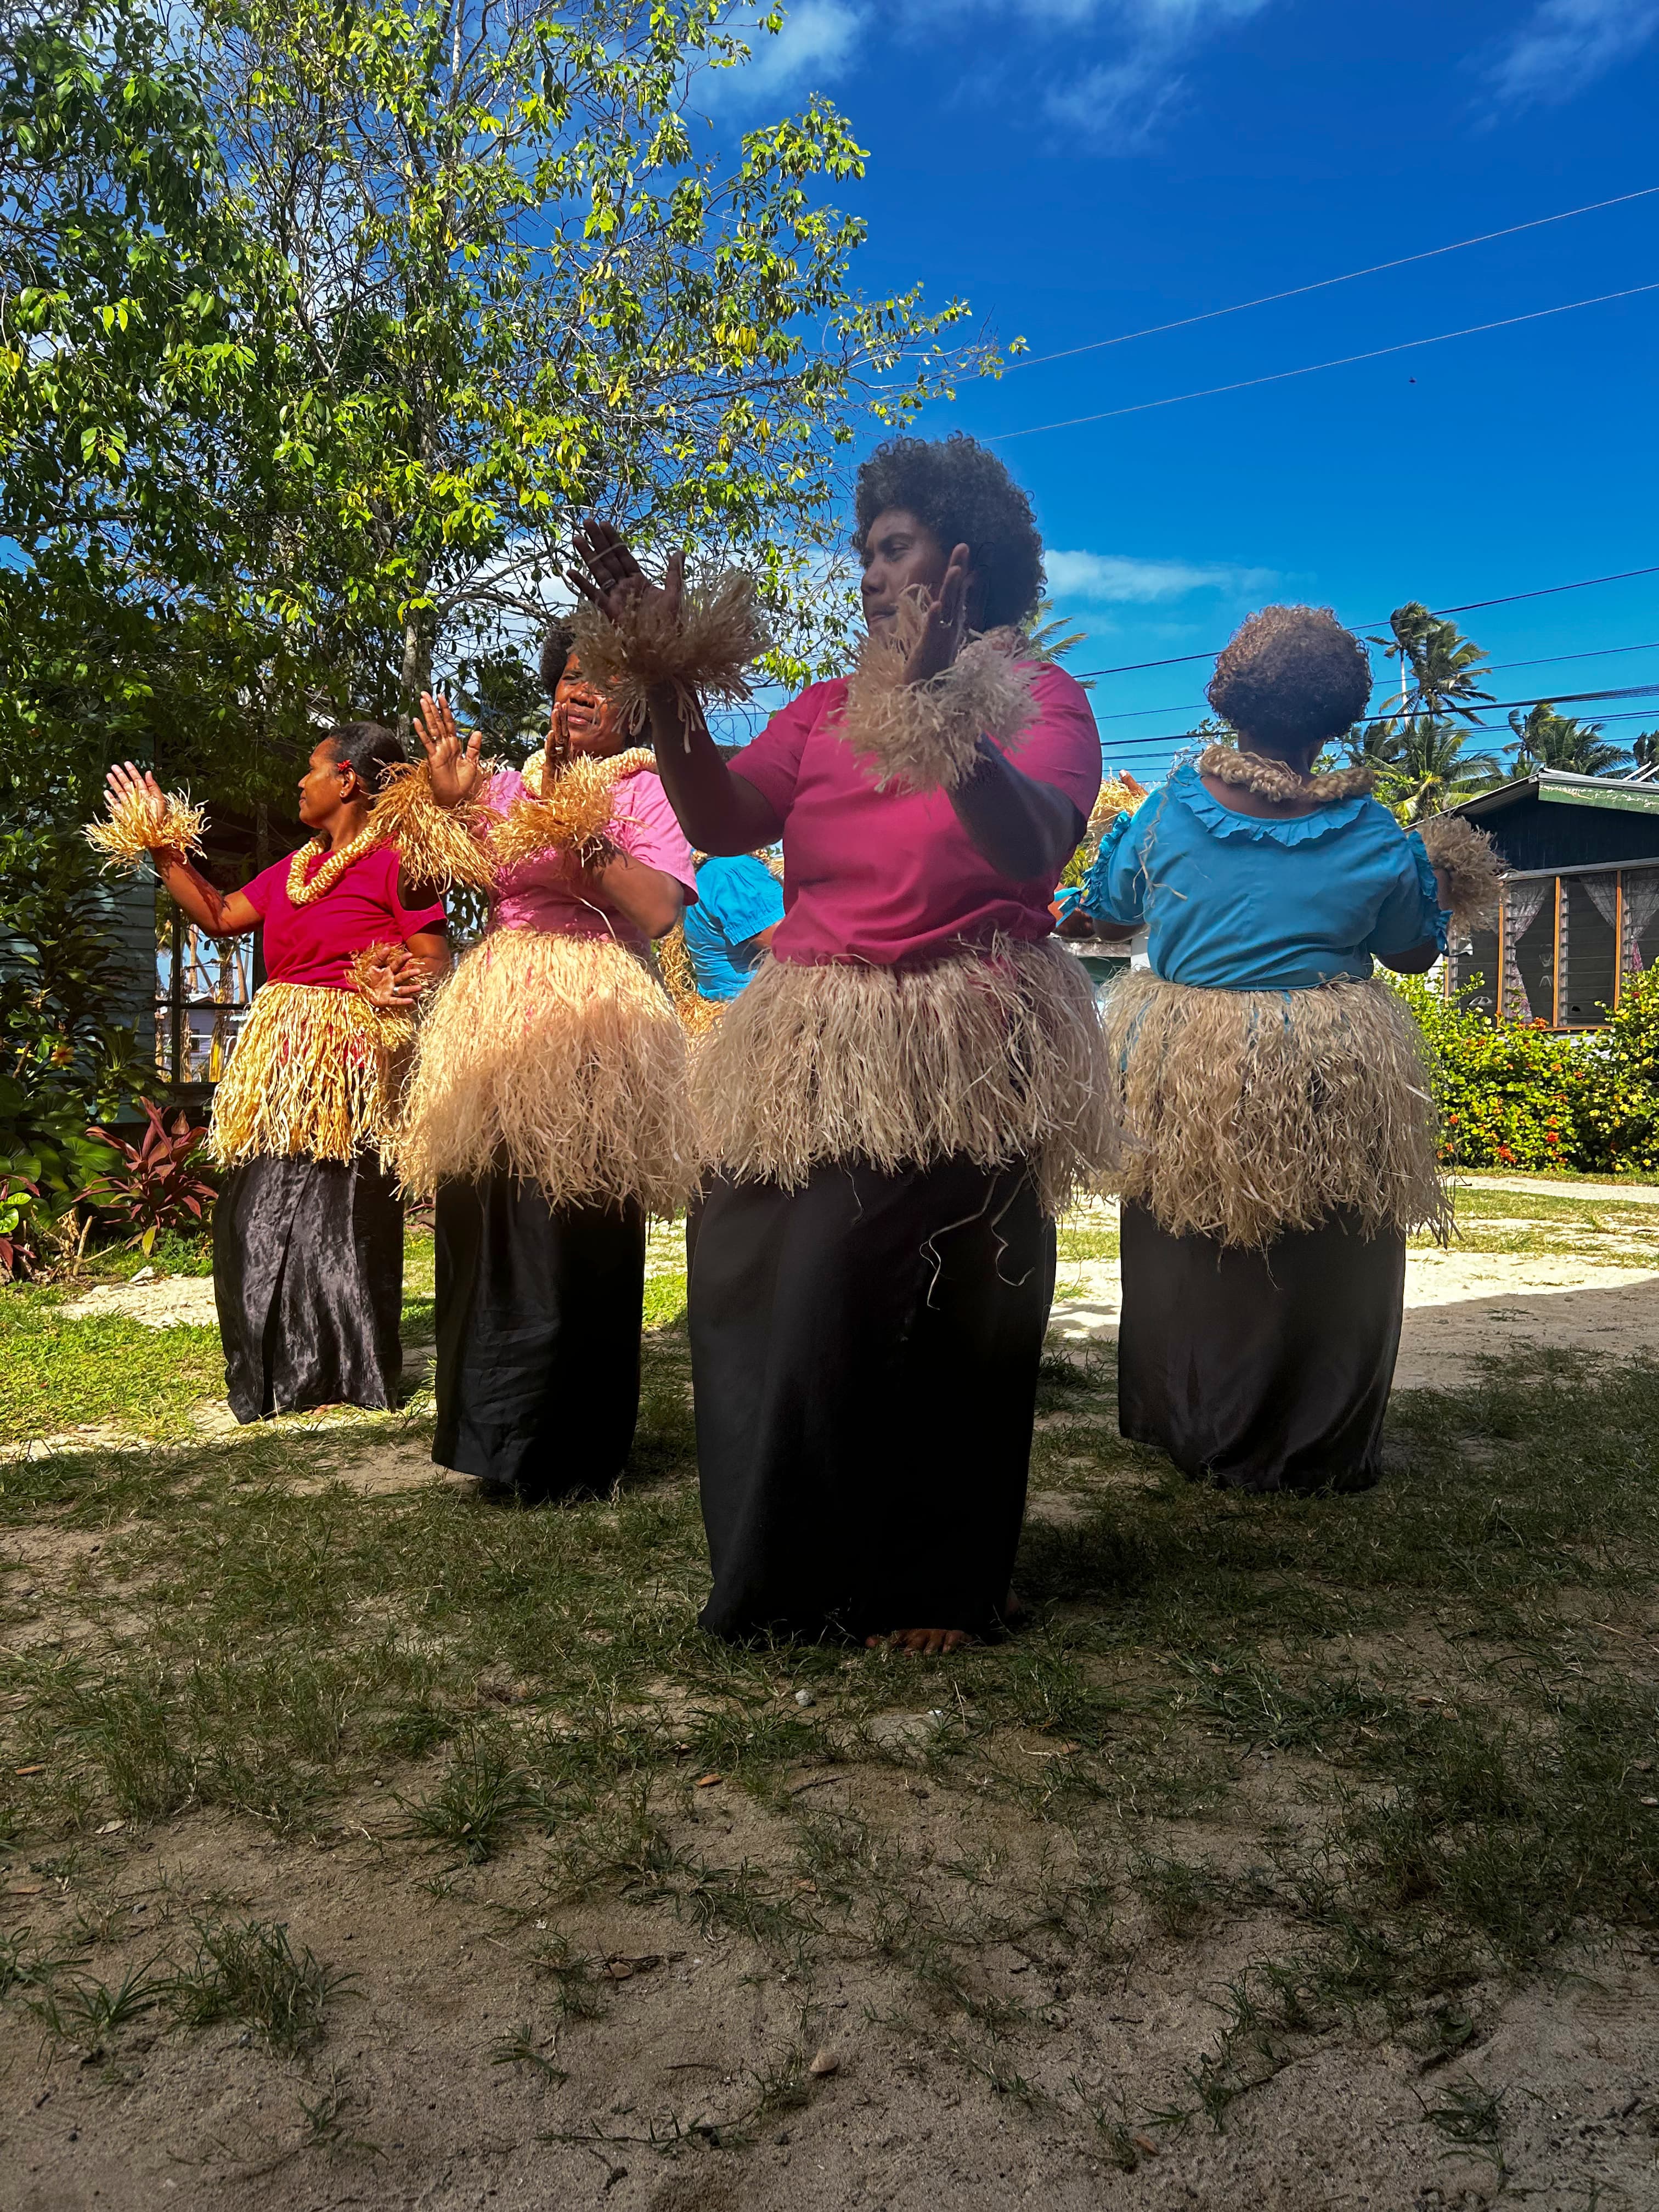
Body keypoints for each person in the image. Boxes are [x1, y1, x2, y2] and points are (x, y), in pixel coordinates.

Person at [568, 432, 1114, 1652]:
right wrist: (668, 685)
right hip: (814, 1034)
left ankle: (934, 1585)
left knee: (943, 1308)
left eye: (894, 547)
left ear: (965, 561)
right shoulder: (821, 709)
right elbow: (717, 816)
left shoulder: (1042, 701)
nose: (869, 572)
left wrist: (944, 720)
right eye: (863, 550)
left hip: (961, 1037)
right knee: (763, 1279)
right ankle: (793, 1571)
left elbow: (1034, 844)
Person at [1078, 605, 1498, 1494]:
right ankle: (1312, 1443)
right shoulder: (1375, 835)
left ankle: (1189, 1423)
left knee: (1193, 1243)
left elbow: (1111, 907)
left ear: (1230, 699)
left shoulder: (1163, 816)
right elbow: (1412, 952)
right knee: (1323, 1248)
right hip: (1323, 1070)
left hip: (1190, 1065)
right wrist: (1440, 879)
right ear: (1333, 718)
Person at [388, 625, 699, 1502]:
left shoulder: (647, 791)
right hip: (494, 1016)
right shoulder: (506, 784)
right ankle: (493, 1439)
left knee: (573, 1228)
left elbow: (660, 909)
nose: (579, 690)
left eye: (603, 679)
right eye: (569, 674)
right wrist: (450, 806)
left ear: (636, 706)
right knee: (486, 1218)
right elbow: (436, 875)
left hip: (593, 1013)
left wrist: (586, 837)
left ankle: (571, 1449)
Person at [92, 731, 448, 1421]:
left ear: (347, 780)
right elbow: (221, 915)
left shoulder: (399, 864)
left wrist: (381, 978)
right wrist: (162, 843)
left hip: (348, 1066)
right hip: (279, 1067)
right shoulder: (293, 869)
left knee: (342, 1218)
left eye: (310, 771)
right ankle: (275, 1372)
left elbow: (434, 960)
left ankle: (349, 1372)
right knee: (251, 1215)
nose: (299, 784)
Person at [681, 849, 783, 1001]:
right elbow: (786, 943)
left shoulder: (710, 869)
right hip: (759, 1004)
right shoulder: (734, 870)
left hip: (728, 1002)